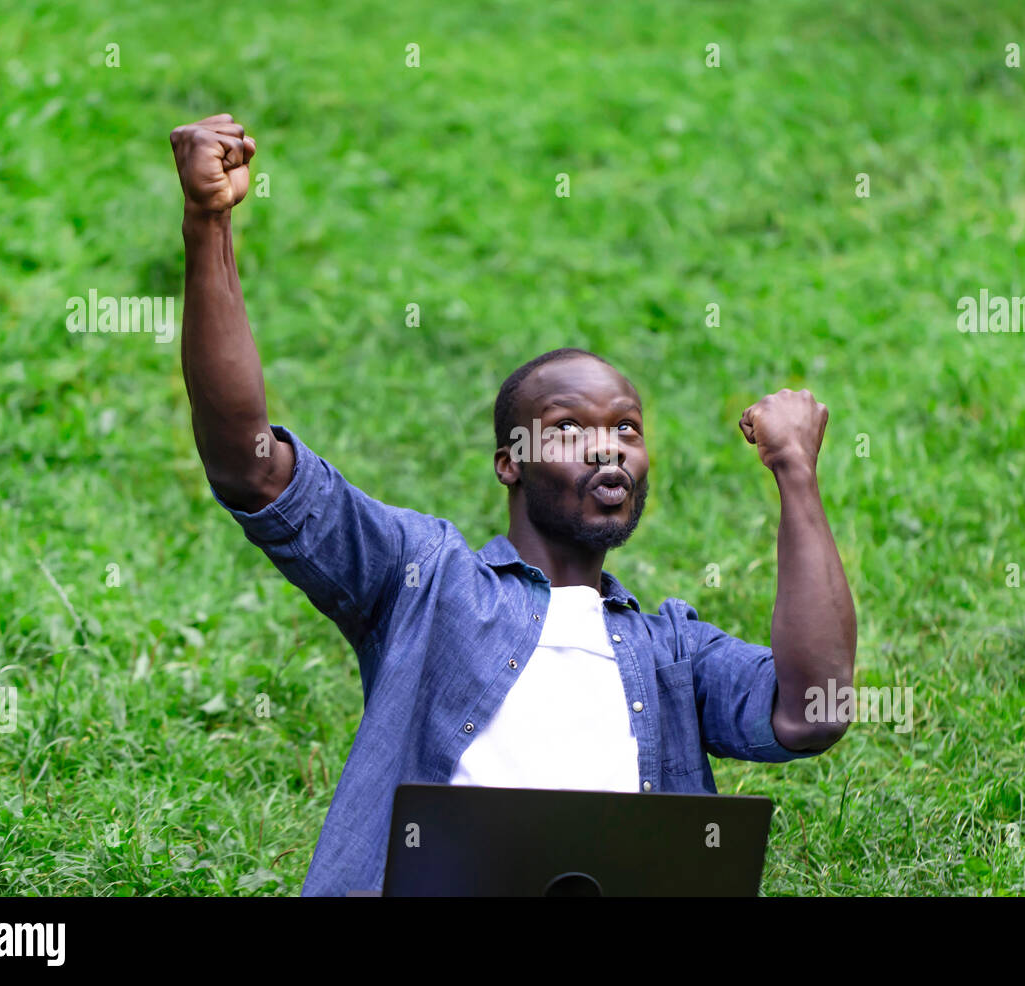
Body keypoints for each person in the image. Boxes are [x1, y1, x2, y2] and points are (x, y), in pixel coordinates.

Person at [169, 114, 857, 895]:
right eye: (569, 429)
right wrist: (208, 225)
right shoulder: (426, 583)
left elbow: (815, 711)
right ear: (511, 464)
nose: (609, 449)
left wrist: (796, 471)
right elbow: (251, 469)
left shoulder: (674, 654)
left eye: (626, 429)